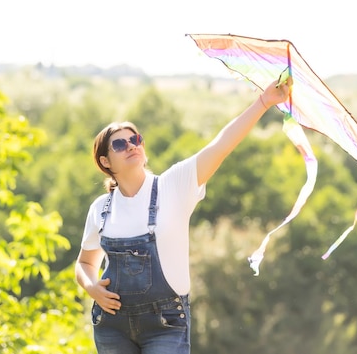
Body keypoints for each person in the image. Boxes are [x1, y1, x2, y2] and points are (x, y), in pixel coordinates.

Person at [75, 78, 291, 354]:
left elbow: (221, 146)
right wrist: (91, 287)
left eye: (135, 139)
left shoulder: (173, 185)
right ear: (105, 162)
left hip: (165, 325)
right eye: (119, 145)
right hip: (111, 327)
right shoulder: (101, 208)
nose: (131, 145)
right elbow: (84, 262)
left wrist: (263, 102)